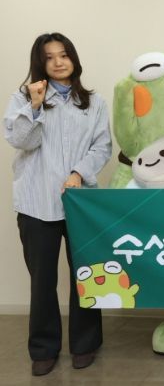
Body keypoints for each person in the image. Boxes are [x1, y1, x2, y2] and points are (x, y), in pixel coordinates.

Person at [3, 33, 112, 376]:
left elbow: (102, 146)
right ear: (40, 63)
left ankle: (86, 344)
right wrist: (35, 106)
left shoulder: (93, 102)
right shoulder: (23, 98)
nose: (58, 62)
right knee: (42, 280)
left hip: (81, 203)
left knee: (86, 274)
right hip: (36, 202)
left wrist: (79, 172)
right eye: (49, 57)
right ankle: (43, 349)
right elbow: (21, 141)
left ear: (73, 59)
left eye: (63, 55)